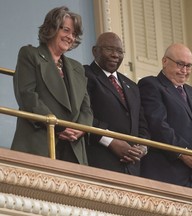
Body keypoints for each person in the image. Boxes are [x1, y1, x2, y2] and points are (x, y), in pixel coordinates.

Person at [11, 6, 93, 165]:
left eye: (74, 34)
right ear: (52, 28)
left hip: (73, 148)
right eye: (66, 30)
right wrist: (58, 126)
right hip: (39, 142)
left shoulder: (77, 68)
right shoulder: (30, 54)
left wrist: (80, 128)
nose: (70, 37)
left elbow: (86, 108)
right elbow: (27, 96)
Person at [138, 43, 192, 190]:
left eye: (189, 66)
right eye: (180, 64)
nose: (185, 70)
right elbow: (158, 125)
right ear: (164, 61)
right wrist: (184, 153)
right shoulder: (151, 85)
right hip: (166, 175)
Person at [84, 32, 150, 175]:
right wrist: (111, 141)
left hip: (132, 167)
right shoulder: (85, 75)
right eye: (109, 49)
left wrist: (143, 147)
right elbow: (84, 115)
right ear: (95, 51)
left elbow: (142, 125)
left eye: (120, 51)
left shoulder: (132, 86)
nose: (115, 55)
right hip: (100, 162)